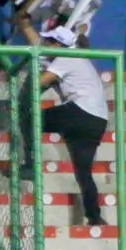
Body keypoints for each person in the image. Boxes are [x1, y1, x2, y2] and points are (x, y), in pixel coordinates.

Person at [16, 16, 109, 225]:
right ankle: (94, 216)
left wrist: (35, 71)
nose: (46, 45)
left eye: (49, 42)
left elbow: (39, 84)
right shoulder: (79, 59)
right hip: (97, 121)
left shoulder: (65, 58)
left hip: (81, 112)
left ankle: (30, 163)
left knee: (28, 119)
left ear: (59, 44)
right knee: (83, 172)